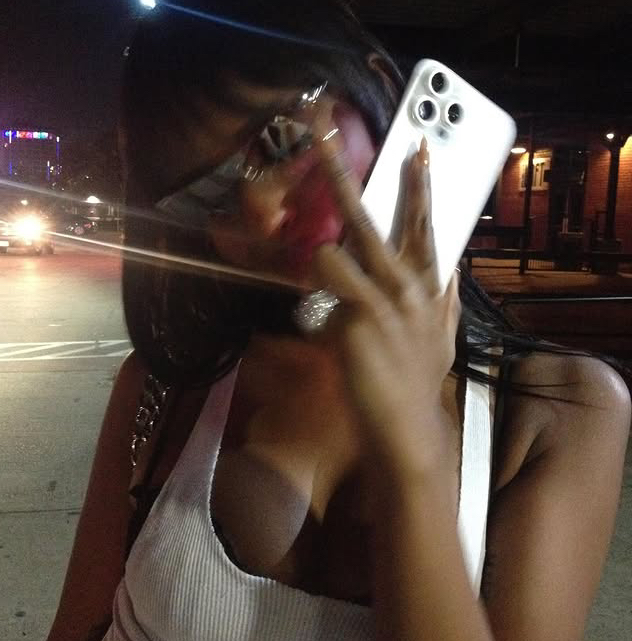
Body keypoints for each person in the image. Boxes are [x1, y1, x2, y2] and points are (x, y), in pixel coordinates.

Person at [47, 1, 631, 640]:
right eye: (209, 197)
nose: (262, 211)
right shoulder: (166, 391)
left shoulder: (560, 412)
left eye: (281, 141)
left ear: (374, 91)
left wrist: (410, 448)